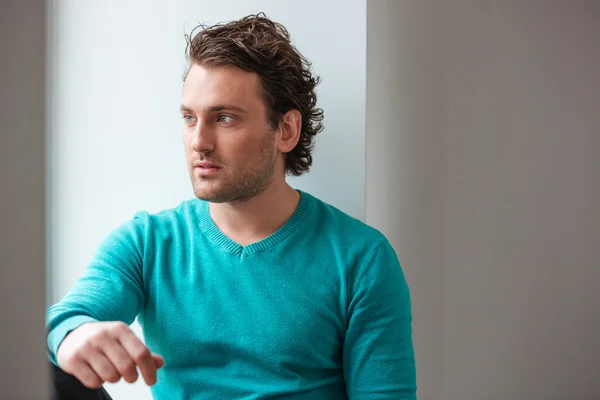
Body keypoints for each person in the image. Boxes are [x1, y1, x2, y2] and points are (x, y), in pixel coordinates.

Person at [46, 13, 417, 400]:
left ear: (286, 130)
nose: (199, 142)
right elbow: (62, 319)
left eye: (224, 118)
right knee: (53, 365)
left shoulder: (361, 258)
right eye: (190, 118)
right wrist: (75, 334)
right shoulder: (147, 243)